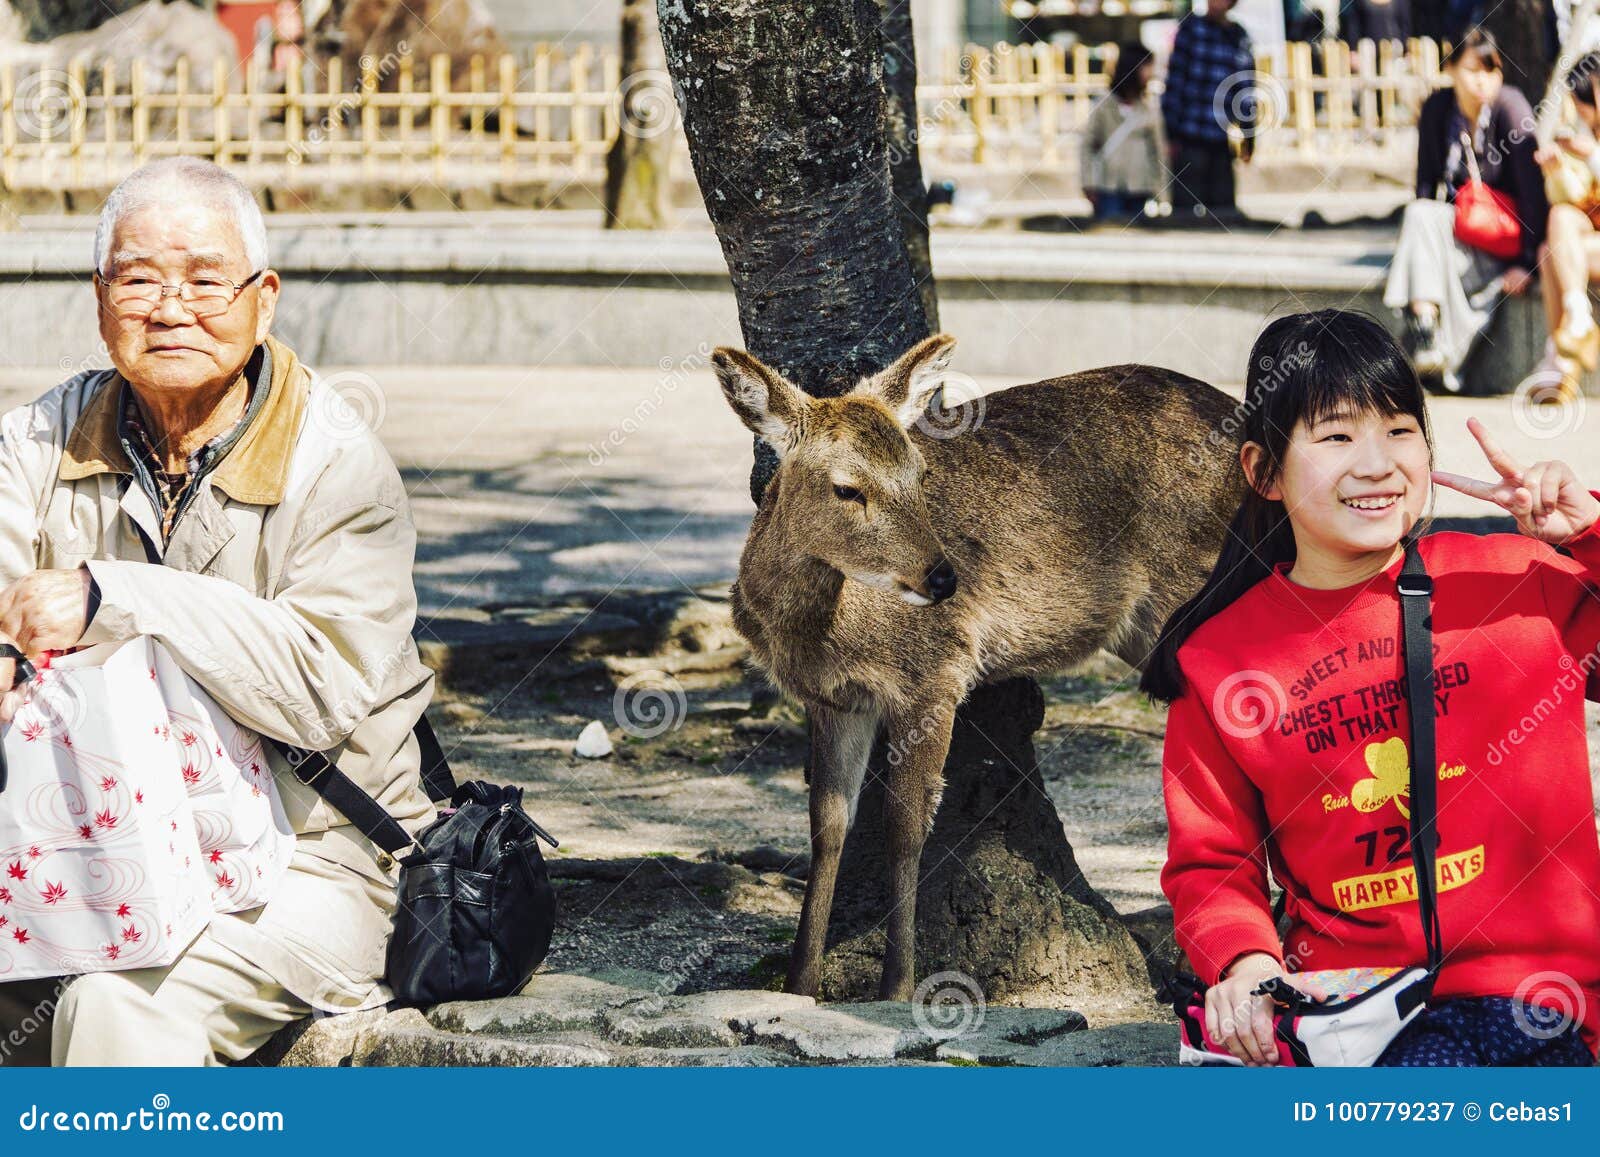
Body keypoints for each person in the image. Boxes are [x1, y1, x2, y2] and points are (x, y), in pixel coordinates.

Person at [0, 157, 436, 1066]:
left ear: (263, 299)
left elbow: (322, 686)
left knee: (114, 1006)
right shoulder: (39, 439)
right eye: (139, 279)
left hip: (303, 861)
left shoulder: (338, 464)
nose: (170, 308)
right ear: (98, 298)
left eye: (204, 280)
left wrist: (114, 597)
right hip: (77, 844)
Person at [1143, 308, 1600, 1068]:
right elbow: (1210, 863)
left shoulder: (1514, 581)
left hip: (1538, 1002)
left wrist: (1588, 534)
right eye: (1336, 436)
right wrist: (1246, 965)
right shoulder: (1221, 658)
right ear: (1262, 470)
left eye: (1399, 430)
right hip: (1354, 1010)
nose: (1378, 463)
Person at [1384, 28, 1546, 394]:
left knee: (1422, 220)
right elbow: (1425, 186)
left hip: (1503, 240)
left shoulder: (1511, 107)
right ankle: (1424, 327)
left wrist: (1526, 262)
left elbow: (1534, 195)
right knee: (1420, 212)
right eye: (1472, 70)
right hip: (1459, 230)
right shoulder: (1438, 109)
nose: (1482, 81)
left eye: (1491, 70)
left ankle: (1427, 341)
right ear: (1452, 68)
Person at [1532, 50, 1600, 402]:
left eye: (1586, 99)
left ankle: (1560, 363)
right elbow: (1572, 199)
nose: (1583, 109)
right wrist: (1556, 168)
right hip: (1590, 243)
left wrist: (1591, 156)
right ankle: (1576, 324)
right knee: (1551, 242)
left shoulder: (1590, 143)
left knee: (1553, 249)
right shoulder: (1584, 131)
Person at [1160, 0, 1256, 220]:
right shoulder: (1192, 30)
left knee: (1223, 212)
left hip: (1220, 138)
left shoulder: (1238, 37)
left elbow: (1246, 89)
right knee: (1185, 211)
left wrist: (1249, 135)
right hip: (1189, 135)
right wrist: (1171, 133)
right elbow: (1175, 83)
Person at [1082, 42, 1167, 222]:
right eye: (1147, 67)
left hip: (1140, 187)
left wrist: (1162, 193)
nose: (1151, 73)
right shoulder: (1103, 105)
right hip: (1108, 187)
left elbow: (1158, 152)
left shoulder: (1148, 108)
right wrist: (1088, 183)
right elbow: (1088, 145)